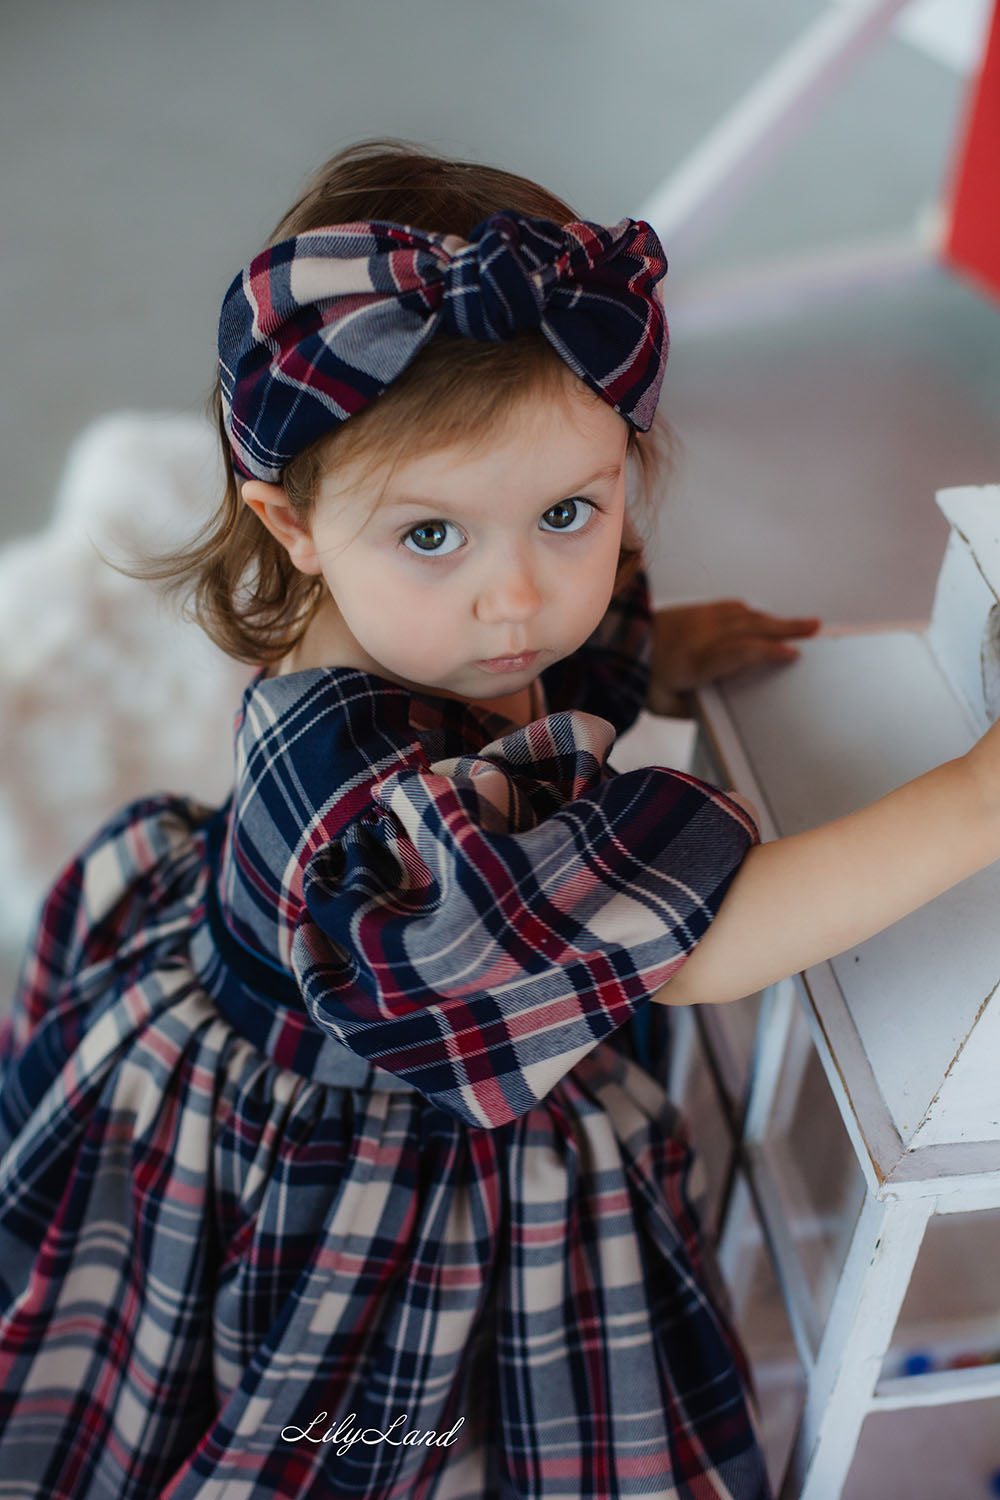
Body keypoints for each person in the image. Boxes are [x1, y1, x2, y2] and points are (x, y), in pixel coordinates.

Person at [0, 137, 990, 1500]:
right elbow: (704, 945)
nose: (515, 601)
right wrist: (973, 801)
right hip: (352, 1152)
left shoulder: (437, 633)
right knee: (342, 1431)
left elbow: (512, 684)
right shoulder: (359, 793)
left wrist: (655, 648)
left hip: (395, 1019)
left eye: (569, 511)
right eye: (433, 537)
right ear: (289, 525)